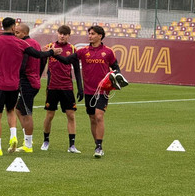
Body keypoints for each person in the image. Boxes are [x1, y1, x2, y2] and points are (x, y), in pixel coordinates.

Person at [0, 17, 61, 156]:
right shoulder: (22, 43)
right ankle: (13, 136)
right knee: (12, 110)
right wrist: (51, 52)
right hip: (15, 84)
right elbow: (38, 55)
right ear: (13, 27)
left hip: (0, 83)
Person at [55, 25, 128, 158]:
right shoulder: (83, 51)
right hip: (89, 91)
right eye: (89, 33)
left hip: (102, 91)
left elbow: (116, 68)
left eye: (93, 34)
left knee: (99, 116)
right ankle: (97, 144)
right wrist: (53, 53)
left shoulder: (108, 52)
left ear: (100, 36)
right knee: (92, 118)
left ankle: (99, 147)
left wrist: (115, 77)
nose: (90, 36)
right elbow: (66, 61)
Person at [40, 24, 83, 154]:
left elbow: (77, 70)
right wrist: (37, 78)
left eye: (65, 34)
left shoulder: (73, 49)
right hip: (52, 87)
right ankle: (46, 141)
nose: (62, 36)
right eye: (60, 33)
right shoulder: (50, 47)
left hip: (67, 87)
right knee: (50, 115)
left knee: (71, 115)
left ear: (69, 36)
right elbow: (42, 64)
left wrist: (80, 88)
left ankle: (72, 145)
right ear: (57, 34)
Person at [13, 23, 43, 153]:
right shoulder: (36, 43)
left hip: (27, 82)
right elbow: (43, 60)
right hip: (34, 80)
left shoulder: (24, 44)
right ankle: (27, 137)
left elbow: (23, 64)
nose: (15, 35)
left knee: (27, 112)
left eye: (18, 33)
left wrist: (17, 76)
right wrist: (38, 75)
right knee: (19, 109)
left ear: (24, 33)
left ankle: (28, 144)